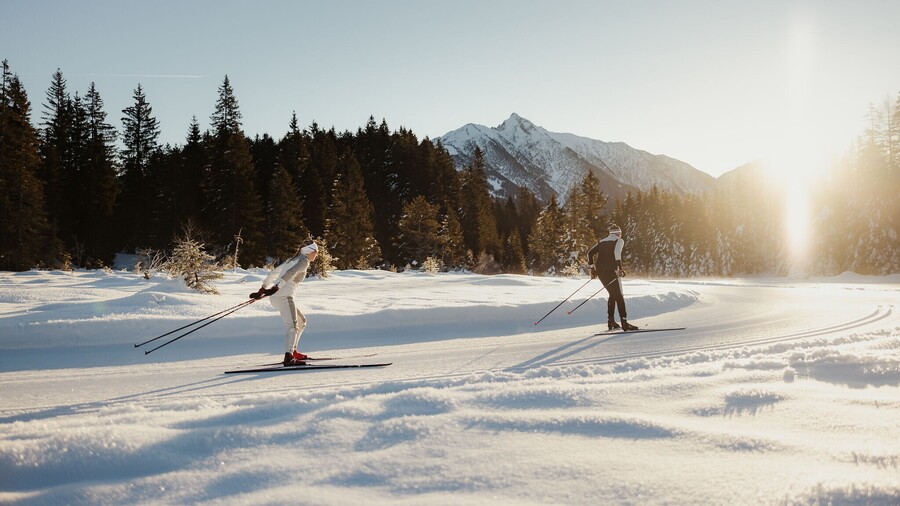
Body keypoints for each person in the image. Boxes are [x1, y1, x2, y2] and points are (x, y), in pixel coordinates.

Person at [251, 242, 319, 365]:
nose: (316, 255)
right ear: (310, 251)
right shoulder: (304, 261)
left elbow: (273, 273)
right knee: (292, 326)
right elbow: (290, 273)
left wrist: (262, 289)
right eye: (316, 252)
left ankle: (293, 351)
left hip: (278, 296)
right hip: (284, 296)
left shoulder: (291, 259)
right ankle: (288, 357)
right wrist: (277, 287)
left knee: (301, 321)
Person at [587, 224, 638, 331]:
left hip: (600, 271)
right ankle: (624, 323)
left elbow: (590, 253)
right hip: (612, 271)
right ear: (618, 233)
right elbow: (616, 253)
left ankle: (611, 321)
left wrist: (592, 268)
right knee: (619, 295)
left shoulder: (602, 242)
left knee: (612, 294)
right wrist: (619, 268)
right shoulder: (619, 241)